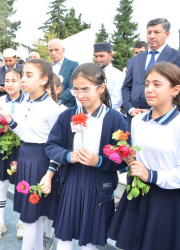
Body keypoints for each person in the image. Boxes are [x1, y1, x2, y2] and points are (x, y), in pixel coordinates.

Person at [43, 63, 128, 250]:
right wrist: (68, 156)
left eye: (86, 90)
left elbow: (123, 159)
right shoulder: (67, 115)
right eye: (76, 90)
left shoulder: (115, 119)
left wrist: (99, 161)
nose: (80, 95)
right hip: (70, 183)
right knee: (64, 237)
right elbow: (51, 145)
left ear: (101, 88)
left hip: (99, 187)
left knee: (89, 239)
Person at [107, 62, 180, 249]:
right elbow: (138, 156)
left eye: (157, 84)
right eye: (147, 84)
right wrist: (128, 158)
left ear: (175, 90)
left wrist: (151, 175)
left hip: (166, 202)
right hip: (137, 194)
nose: (149, 89)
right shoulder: (138, 121)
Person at [0, 59, 61, 250]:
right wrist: (8, 119)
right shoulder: (26, 103)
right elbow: (24, 133)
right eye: (23, 75)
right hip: (24, 157)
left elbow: (58, 144)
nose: (23, 79)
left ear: (44, 80)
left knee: (33, 216)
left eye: (28, 75)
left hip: (41, 162)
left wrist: (50, 171)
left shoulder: (51, 108)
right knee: (31, 216)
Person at [0, 68, 26, 242]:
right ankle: (0, 222)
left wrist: (12, 126)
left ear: (21, 82)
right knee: (2, 183)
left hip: (22, 148)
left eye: (14, 80)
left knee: (22, 184)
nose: (10, 84)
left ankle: (21, 222)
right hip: (3, 147)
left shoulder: (27, 101)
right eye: (7, 80)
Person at [122, 18, 180, 127]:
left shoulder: (176, 56)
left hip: (162, 120)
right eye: (149, 32)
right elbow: (126, 86)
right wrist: (130, 108)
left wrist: (154, 112)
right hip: (134, 118)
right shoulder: (137, 58)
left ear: (167, 34)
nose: (152, 36)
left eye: (157, 32)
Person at [94, 42, 125, 110]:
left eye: (101, 56)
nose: (98, 60)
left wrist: (97, 108)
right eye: (96, 56)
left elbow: (117, 100)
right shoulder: (92, 73)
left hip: (110, 113)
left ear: (110, 55)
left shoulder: (118, 75)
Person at [48, 39, 79, 108]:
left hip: (68, 107)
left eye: (56, 50)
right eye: (51, 50)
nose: (53, 53)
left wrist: (57, 101)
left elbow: (72, 87)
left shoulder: (73, 65)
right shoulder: (47, 67)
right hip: (49, 107)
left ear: (63, 50)